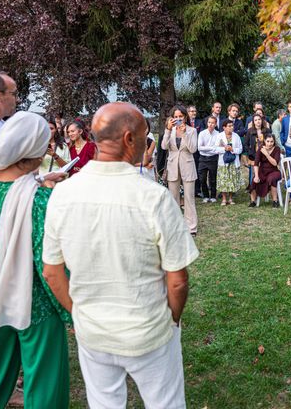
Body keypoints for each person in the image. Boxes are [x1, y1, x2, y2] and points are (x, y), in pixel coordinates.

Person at [42, 102, 199, 409]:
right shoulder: (153, 197)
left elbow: (52, 272)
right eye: (144, 135)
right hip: (148, 329)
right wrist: (173, 319)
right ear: (129, 139)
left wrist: (79, 313)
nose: (146, 141)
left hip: (94, 331)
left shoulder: (63, 194)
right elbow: (177, 281)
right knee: (164, 403)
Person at [0, 112, 70, 408]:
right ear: (35, 152)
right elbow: (49, 266)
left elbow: (11, 191)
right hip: (35, 302)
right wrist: (69, 309)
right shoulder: (39, 202)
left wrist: (40, 179)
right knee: (44, 376)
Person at [161, 105, 199, 235]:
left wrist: (184, 134)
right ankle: (175, 226)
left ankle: (191, 228)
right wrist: (167, 130)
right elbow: (163, 146)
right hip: (172, 167)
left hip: (187, 166)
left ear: (185, 117)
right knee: (173, 198)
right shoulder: (169, 130)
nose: (178, 119)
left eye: (180, 117)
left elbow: (193, 149)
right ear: (172, 118)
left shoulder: (192, 130)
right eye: (175, 117)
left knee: (189, 198)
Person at [249, 134, 282, 208]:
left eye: (272, 141)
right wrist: (256, 176)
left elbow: (275, 163)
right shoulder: (260, 149)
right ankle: (253, 201)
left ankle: (275, 201)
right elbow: (256, 164)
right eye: (268, 141)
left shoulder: (277, 149)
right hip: (263, 171)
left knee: (272, 179)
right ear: (264, 141)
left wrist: (266, 154)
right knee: (254, 180)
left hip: (274, 171)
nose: (270, 143)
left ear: (274, 142)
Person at [215, 119, 243, 205]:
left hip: (233, 162)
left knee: (232, 180)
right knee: (223, 180)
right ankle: (224, 198)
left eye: (232, 126)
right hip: (223, 162)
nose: (231, 128)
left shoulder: (236, 136)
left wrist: (232, 149)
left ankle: (230, 198)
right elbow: (216, 149)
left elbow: (240, 149)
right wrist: (224, 149)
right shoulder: (219, 136)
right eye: (229, 126)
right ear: (224, 127)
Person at [198, 116, 220, 203]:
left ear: (215, 124)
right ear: (207, 123)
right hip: (203, 158)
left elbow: (217, 148)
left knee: (213, 178)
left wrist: (207, 148)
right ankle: (206, 196)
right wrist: (212, 148)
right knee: (202, 178)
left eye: (213, 123)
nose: (211, 124)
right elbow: (199, 148)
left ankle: (213, 196)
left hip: (213, 158)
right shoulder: (202, 133)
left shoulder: (218, 134)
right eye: (209, 122)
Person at [187, 105, 203, 197]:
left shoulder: (200, 122)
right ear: (188, 112)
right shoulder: (185, 123)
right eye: (192, 111)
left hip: (197, 151)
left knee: (197, 170)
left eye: (195, 111)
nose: (194, 113)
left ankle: (197, 190)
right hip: (187, 150)